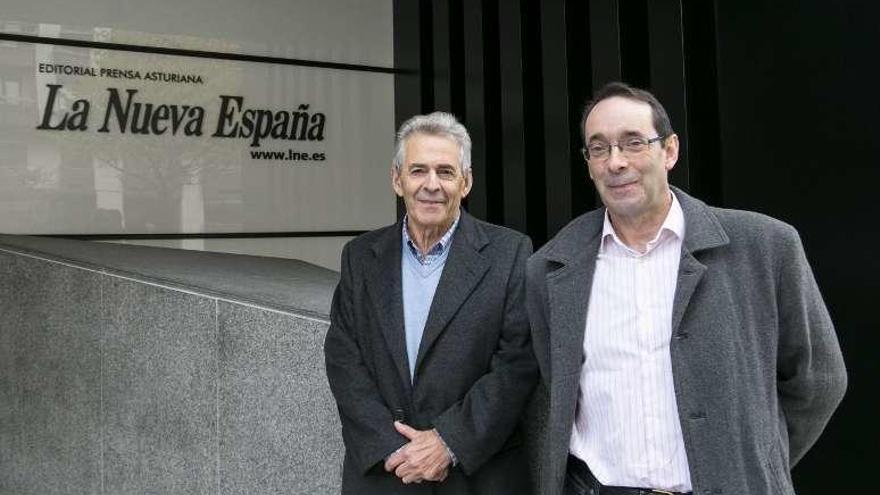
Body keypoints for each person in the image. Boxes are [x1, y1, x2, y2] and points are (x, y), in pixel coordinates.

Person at [525, 82, 847, 495]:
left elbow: (819, 381)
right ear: (588, 164)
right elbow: (544, 399)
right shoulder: (550, 269)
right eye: (599, 148)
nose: (616, 162)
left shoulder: (765, 247)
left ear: (670, 150)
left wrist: (757, 460)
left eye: (633, 143)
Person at [324, 111, 537, 494]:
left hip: (475, 477)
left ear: (466, 182)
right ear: (397, 179)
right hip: (385, 475)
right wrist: (393, 451)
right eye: (418, 170)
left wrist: (447, 442)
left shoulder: (510, 253)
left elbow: (517, 365)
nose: (431, 185)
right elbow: (343, 357)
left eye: (446, 172)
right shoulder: (360, 256)